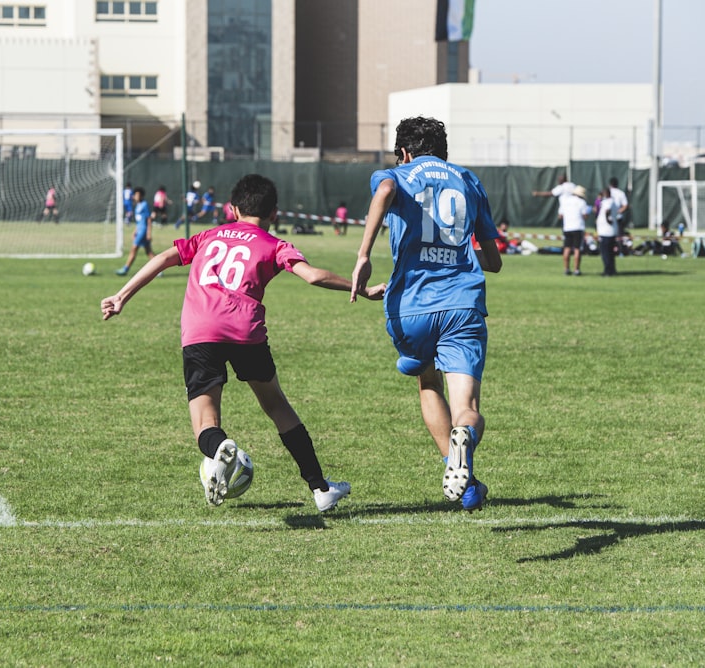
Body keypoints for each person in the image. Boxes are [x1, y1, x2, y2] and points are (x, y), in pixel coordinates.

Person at [102, 174, 384, 510]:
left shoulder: (209, 236)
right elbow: (313, 275)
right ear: (274, 214)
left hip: (200, 331)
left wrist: (122, 296)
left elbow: (163, 258)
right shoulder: (274, 244)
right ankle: (320, 488)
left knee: (206, 423)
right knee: (276, 405)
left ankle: (220, 448)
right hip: (245, 331)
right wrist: (362, 290)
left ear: (233, 209)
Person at [350, 115, 503, 513]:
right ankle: (463, 441)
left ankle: (465, 484)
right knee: (466, 406)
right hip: (462, 303)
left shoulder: (398, 174)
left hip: (411, 306)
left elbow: (384, 188)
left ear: (403, 152)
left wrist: (364, 255)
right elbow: (493, 260)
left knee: (426, 380)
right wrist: (459, 252)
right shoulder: (467, 179)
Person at [115, 186, 156, 276]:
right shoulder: (137, 206)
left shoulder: (144, 205)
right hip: (140, 230)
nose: (135, 196)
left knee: (134, 249)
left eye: (137, 195)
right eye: (135, 195)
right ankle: (159, 269)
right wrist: (135, 231)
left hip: (143, 231)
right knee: (149, 252)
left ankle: (125, 269)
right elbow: (139, 221)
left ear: (141, 196)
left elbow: (148, 220)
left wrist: (149, 233)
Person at [557, 185, 591, 275]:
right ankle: (576, 270)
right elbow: (585, 216)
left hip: (567, 227)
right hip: (578, 227)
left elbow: (560, 216)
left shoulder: (565, 201)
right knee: (577, 249)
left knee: (567, 248)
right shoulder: (582, 202)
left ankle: (566, 269)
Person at [594, 187, 618, 276]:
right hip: (608, 230)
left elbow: (607, 211)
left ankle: (608, 270)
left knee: (606, 252)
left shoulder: (608, 202)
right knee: (610, 252)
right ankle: (612, 269)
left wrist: (607, 220)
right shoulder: (611, 201)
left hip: (606, 231)